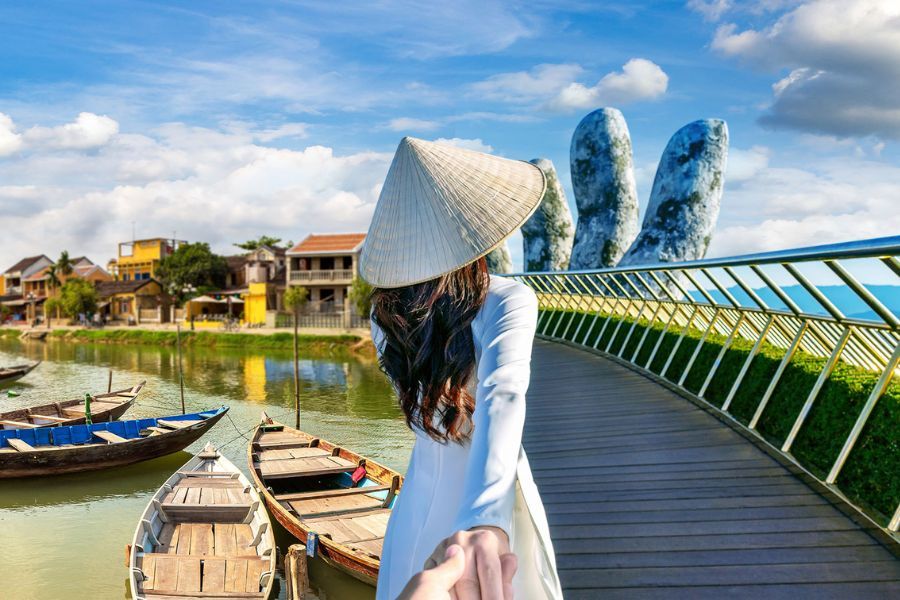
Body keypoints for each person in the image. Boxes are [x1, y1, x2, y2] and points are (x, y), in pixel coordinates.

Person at [360, 137, 563, 600]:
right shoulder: (509, 299)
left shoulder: (383, 316)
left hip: (417, 503)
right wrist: (485, 521)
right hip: (487, 506)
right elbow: (502, 397)